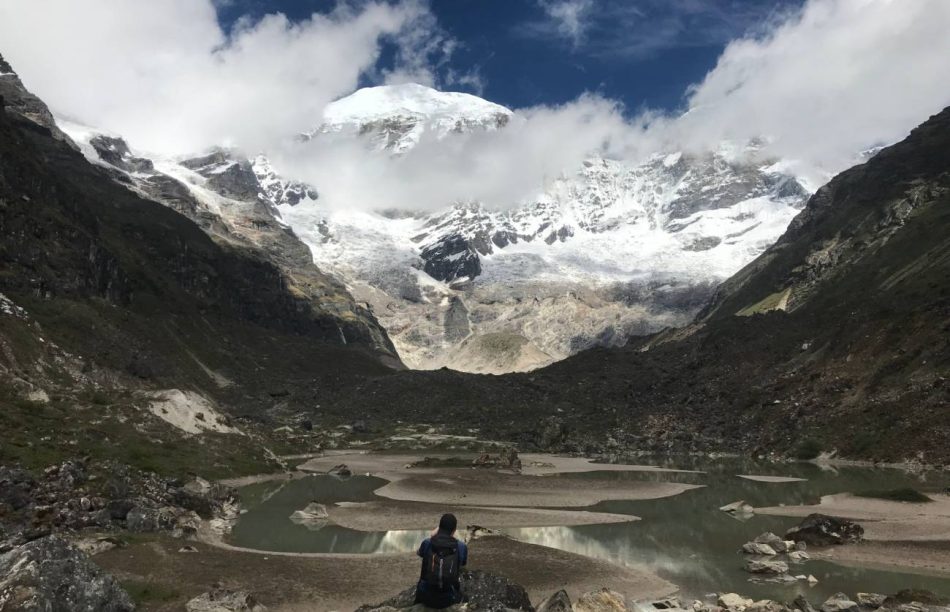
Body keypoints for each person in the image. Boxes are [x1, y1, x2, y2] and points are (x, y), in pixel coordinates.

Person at [415, 513, 468, 608]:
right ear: (454, 530)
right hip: (448, 600)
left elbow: (419, 552)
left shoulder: (427, 542)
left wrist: (432, 536)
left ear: (439, 528)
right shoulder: (461, 547)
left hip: (425, 597)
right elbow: (463, 563)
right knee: (466, 598)